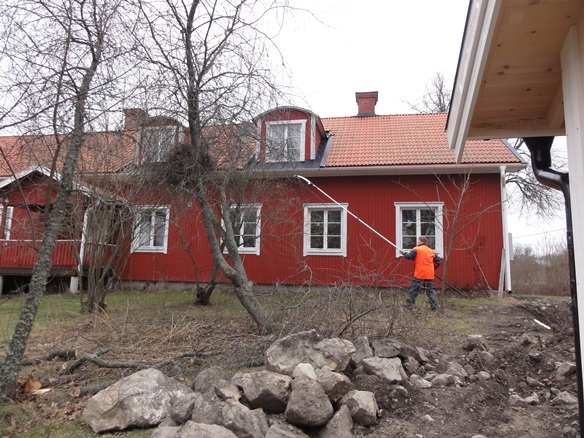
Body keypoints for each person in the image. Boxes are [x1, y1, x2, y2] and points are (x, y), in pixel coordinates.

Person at [401, 236, 441, 311]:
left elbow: (409, 257)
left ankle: (409, 305)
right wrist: (432, 268)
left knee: (414, 289)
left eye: (418, 241)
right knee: (430, 290)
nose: (417, 242)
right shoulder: (431, 251)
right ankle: (434, 306)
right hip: (429, 273)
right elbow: (438, 262)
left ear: (421, 241)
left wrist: (404, 253)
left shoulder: (417, 249)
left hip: (419, 273)